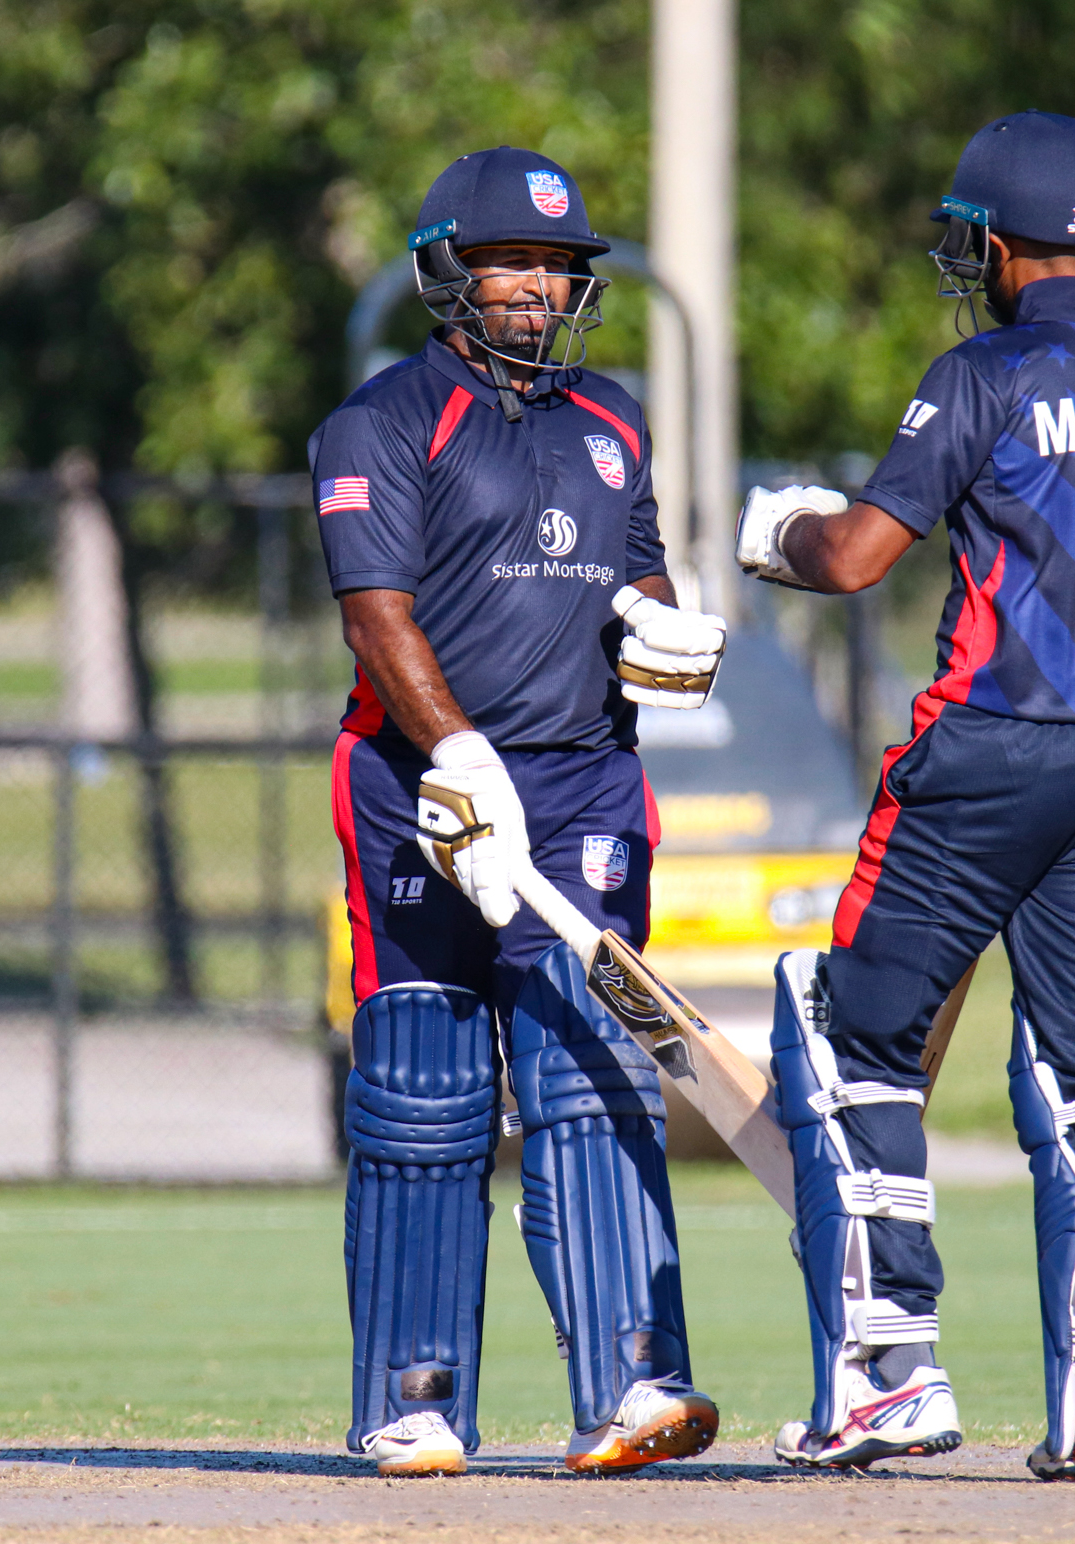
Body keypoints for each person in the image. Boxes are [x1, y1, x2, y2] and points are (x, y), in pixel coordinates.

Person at [736, 112, 1075, 1481]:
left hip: (984, 753)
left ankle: (887, 1376)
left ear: (1007, 248)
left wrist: (777, 532)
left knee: (852, 1037)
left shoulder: (982, 373)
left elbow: (855, 557)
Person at [311, 146, 729, 1477]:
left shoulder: (612, 420)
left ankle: (630, 1385)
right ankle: (415, 1398)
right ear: (451, 271)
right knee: (424, 1093)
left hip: (582, 785)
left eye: (557, 265)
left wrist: (660, 629)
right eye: (512, 262)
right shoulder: (381, 422)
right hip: (420, 791)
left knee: (591, 1069)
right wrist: (457, 754)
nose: (539, 286)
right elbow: (377, 616)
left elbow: (639, 573)